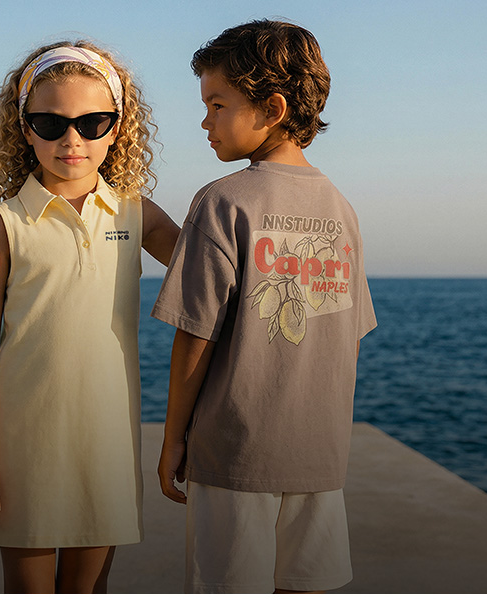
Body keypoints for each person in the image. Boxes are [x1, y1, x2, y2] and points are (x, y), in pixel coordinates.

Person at [152, 20, 377, 593]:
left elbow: (194, 336)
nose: (205, 121)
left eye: (217, 105)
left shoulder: (222, 201)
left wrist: (175, 437)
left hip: (234, 455)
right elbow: (348, 336)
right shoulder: (342, 210)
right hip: (320, 457)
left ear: (272, 109)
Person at [0, 41, 180, 593]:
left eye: (91, 122)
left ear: (117, 127)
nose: (72, 139)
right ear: (24, 128)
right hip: (20, 445)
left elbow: (214, 270)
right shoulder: (6, 224)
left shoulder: (135, 214)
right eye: (51, 123)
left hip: (106, 438)